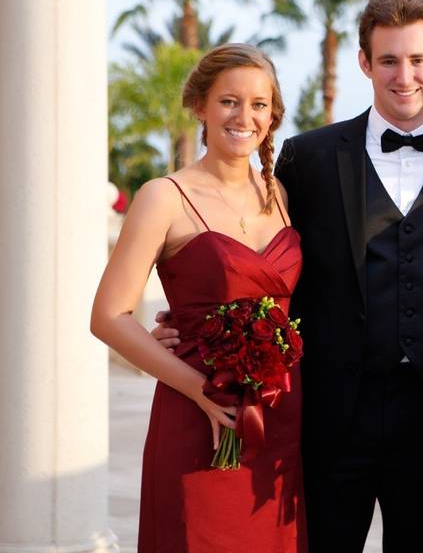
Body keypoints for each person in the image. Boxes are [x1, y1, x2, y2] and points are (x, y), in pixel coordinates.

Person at [154, 0, 423, 551]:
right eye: (388, 60)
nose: (404, 75)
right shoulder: (307, 157)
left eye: (417, 59)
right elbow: (261, 252)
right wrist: (199, 319)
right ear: (365, 63)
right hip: (330, 412)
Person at [90, 43, 305, 551]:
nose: (244, 117)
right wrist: (199, 391)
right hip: (196, 411)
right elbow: (108, 316)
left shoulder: (281, 195)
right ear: (200, 106)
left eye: (259, 105)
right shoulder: (163, 196)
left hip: (279, 416)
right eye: (229, 101)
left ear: (272, 117)